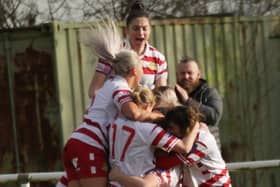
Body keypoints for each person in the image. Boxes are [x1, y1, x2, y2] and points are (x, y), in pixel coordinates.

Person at [60, 20, 164, 187]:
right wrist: (159, 117)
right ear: (134, 71)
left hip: (77, 142)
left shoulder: (109, 85)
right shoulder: (120, 87)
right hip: (90, 145)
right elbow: (135, 114)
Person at [110, 105, 231, 187]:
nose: (168, 132)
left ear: (184, 127)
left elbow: (164, 163)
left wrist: (120, 175)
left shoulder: (202, 141)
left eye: (171, 128)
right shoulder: (188, 136)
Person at [108, 86, 200, 187]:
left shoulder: (116, 122)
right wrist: (196, 124)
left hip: (115, 183)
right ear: (150, 105)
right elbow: (184, 148)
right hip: (135, 181)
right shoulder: (150, 130)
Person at [88, 1, 168, 99]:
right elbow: (94, 91)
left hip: (146, 112)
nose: (141, 33)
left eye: (144, 28)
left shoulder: (158, 58)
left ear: (150, 30)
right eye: (136, 28)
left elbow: (161, 95)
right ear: (127, 30)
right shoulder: (113, 52)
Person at [175, 56, 223, 149]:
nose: (186, 76)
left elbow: (214, 116)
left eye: (190, 73)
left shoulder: (209, 93)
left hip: (208, 152)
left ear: (198, 74)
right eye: (182, 73)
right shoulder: (173, 96)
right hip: (182, 153)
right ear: (177, 75)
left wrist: (188, 101)